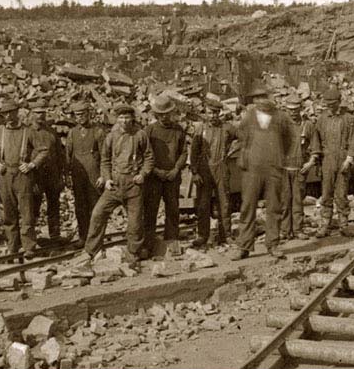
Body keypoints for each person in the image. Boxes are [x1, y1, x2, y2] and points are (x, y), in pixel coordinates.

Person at [76, 104, 154, 271]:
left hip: (133, 184)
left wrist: (143, 174)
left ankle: (133, 253)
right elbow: (105, 160)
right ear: (117, 119)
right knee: (98, 213)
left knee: (134, 222)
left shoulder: (140, 135)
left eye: (127, 118)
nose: (124, 121)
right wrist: (107, 179)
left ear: (132, 118)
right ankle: (90, 251)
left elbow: (149, 158)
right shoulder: (111, 136)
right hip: (114, 185)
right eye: (121, 118)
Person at [230, 87, 293, 260]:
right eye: (256, 98)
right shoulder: (248, 117)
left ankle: (273, 244)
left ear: (269, 97)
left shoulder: (281, 117)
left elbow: (288, 140)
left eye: (262, 97)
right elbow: (241, 137)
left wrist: (277, 156)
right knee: (247, 207)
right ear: (252, 101)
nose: (260, 100)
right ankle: (244, 246)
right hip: (252, 170)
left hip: (274, 169)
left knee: (274, 207)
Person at [0, 100, 48, 257]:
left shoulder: (27, 131)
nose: (8, 116)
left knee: (26, 212)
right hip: (5, 174)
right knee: (9, 213)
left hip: (23, 175)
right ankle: (13, 247)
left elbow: (43, 151)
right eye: (5, 113)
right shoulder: (0, 132)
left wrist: (31, 165)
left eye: (11, 112)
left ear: (17, 112)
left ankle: (29, 247)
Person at [311, 88, 354, 238]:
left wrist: (349, 159)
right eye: (328, 104)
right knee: (326, 193)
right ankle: (325, 225)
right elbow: (316, 141)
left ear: (339, 102)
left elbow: (353, 141)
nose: (330, 107)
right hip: (327, 160)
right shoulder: (321, 119)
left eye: (333, 103)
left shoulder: (349, 119)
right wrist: (316, 157)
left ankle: (344, 225)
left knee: (342, 193)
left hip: (343, 159)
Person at [143, 95, 187, 257]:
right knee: (151, 209)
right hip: (154, 178)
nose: (165, 117)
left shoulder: (178, 130)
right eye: (161, 115)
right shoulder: (149, 131)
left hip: (172, 177)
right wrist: (156, 171)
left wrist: (176, 169)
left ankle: (172, 239)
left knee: (173, 208)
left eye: (167, 114)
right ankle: (148, 243)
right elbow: (144, 155)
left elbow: (183, 152)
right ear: (156, 115)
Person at [190, 99, 237, 247]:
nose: (213, 116)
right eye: (210, 112)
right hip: (204, 170)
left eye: (216, 113)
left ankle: (226, 235)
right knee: (203, 204)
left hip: (221, 168)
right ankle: (202, 236)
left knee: (224, 202)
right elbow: (194, 152)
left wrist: (233, 149)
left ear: (219, 113)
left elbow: (243, 138)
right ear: (206, 113)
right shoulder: (200, 129)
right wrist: (194, 172)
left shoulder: (227, 128)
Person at [65, 102, 106, 248]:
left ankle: (96, 238)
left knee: (95, 206)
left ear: (89, 114)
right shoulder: (72, 133)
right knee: (80, 206)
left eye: (83, 114)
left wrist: (103, 176)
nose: (80, 117)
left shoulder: (98, 131)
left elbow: (105, 156)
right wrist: (67, 175)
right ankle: (83, 236)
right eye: (77, 115)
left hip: (94, 175)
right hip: (78, 174)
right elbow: (68, 156)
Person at [279, 95, 317, 241]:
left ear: (300, 109)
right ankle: (284, 230)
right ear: (286, 109)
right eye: (290, 110)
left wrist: (311, 162)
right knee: (284, 200)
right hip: (284, 169)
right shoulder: (281, 126)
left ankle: (298, 229)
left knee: (297, 200)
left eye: (295, 110)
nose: (293, 113)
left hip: (300, 169)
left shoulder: (307, 125)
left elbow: (315, 146)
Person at [28, 99, 66, 241]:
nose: (40, 116)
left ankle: (55, 235)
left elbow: (59, 154)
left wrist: (61, 175)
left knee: (54, 206)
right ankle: (33, 237)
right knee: (34, 207)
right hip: (36, 175)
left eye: (43, 113)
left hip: (52, 174)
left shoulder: (51, 132)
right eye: (37, 113)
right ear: (32, 114)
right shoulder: (28, 132)